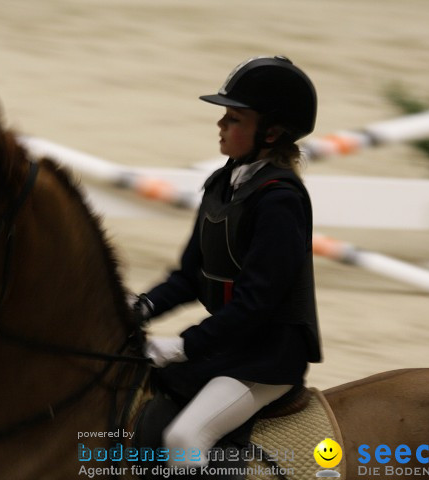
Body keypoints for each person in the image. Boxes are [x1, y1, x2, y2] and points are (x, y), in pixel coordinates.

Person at [133, 55, 322, 478]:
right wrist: (141, 306)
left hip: (267, 360)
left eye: (234, 118)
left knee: (185, 438)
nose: (221, 125)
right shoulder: (222, 184)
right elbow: (187, 276)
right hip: (230, 347)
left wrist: (183, 344)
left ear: (270, 133)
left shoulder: (280, 200)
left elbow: (256, 302)